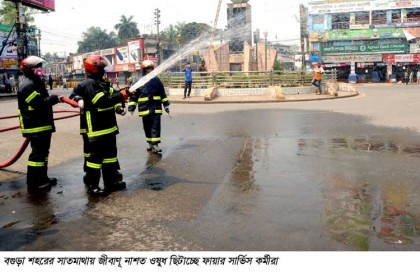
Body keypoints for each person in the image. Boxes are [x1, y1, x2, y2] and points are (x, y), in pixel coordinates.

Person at [72, 54, 129, 195]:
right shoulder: (90, 84)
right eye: (102, 68)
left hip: (109, 127)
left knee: (110, 157)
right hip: (97, 129)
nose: (104, 70)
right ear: (94, 69)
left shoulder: (102, 84)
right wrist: (121, 96)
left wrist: (129, 93)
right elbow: (102, 102)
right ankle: (92, 185)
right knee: (95, 159)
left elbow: (113, 96)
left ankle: (111, 182)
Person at [17, 56, 61, 191]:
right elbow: (39, 103)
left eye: (40, 66)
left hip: (41, 123)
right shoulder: (27, 85)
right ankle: (34, 181)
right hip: (34, 124)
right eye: (37, 67)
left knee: (43, 153)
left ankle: (43, 178)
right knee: (37, 155)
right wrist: (53, 99)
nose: (39, 69)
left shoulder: (35, 82)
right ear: (28, 70)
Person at [128, 60, 170, 154]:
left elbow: (162, 94)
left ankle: (155, 144)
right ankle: (150, 143)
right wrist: (131, 107)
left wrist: (166, 105)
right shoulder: (138, 81)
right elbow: (134, 96)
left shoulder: (156, 80)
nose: (150, 70)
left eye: (151, 68)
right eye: (147, 68)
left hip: (156, 108)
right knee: (147, 127)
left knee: (155, 127)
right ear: (143, 69)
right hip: (144, 109)